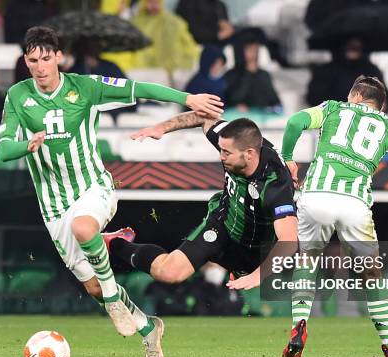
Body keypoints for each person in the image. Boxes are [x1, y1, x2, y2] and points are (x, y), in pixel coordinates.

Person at [0, 26, 223, 357]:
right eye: (33, 60)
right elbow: (2, 150)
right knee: (93, 289)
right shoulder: (17, 95)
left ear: (59, 57)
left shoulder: (85, 87)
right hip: (53, 205)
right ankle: (149, 329)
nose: (40, 67)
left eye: (46, 58)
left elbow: (139, 88)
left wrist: (186, 99)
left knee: (85, 229)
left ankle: (116, 300)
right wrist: (24, 145)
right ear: (25, 62)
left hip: (93, 188)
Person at [281, 76, 388, 357]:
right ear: (380, 106)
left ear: (354, 95)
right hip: (354, 204)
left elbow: (293, 124)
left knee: (307, 261)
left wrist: (288, 158)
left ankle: (299, 325)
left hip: (316, 195)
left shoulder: (331, 109)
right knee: (372, 275)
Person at [105, 113, 298, 293]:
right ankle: (113, 242)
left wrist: (257, 276)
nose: (220, 156)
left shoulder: (276, 183)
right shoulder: (235, 143)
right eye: (220, 149)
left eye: (226, 152)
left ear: (249, 154)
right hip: (222, 225)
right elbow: (204, 117)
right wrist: (161, 128)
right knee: (168, 273)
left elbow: (289, 241)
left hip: (255, 248)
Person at [307, 38, 388, 109]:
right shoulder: (327, 71)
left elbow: (384, 99)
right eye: (350, 46)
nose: (353, 50)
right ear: (342, 47)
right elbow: (314, 98)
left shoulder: (372, 71)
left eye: (357, 47)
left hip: (363, 118)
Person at [131, 0, 200, 74]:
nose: (154, 6)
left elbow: (188, 43)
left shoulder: (174, 22)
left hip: (172, 70)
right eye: (150, 2)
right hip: (142, 70)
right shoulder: (135, 23)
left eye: (157, 3)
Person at [224, 36, 281, 112]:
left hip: (264, 116)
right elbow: (234, 98)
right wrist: (248, 73)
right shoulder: (231, 75)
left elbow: (275, 101)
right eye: (249, 49)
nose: (253, 53)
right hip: (239, 117)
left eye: (255, 50)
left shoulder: (264, 74)